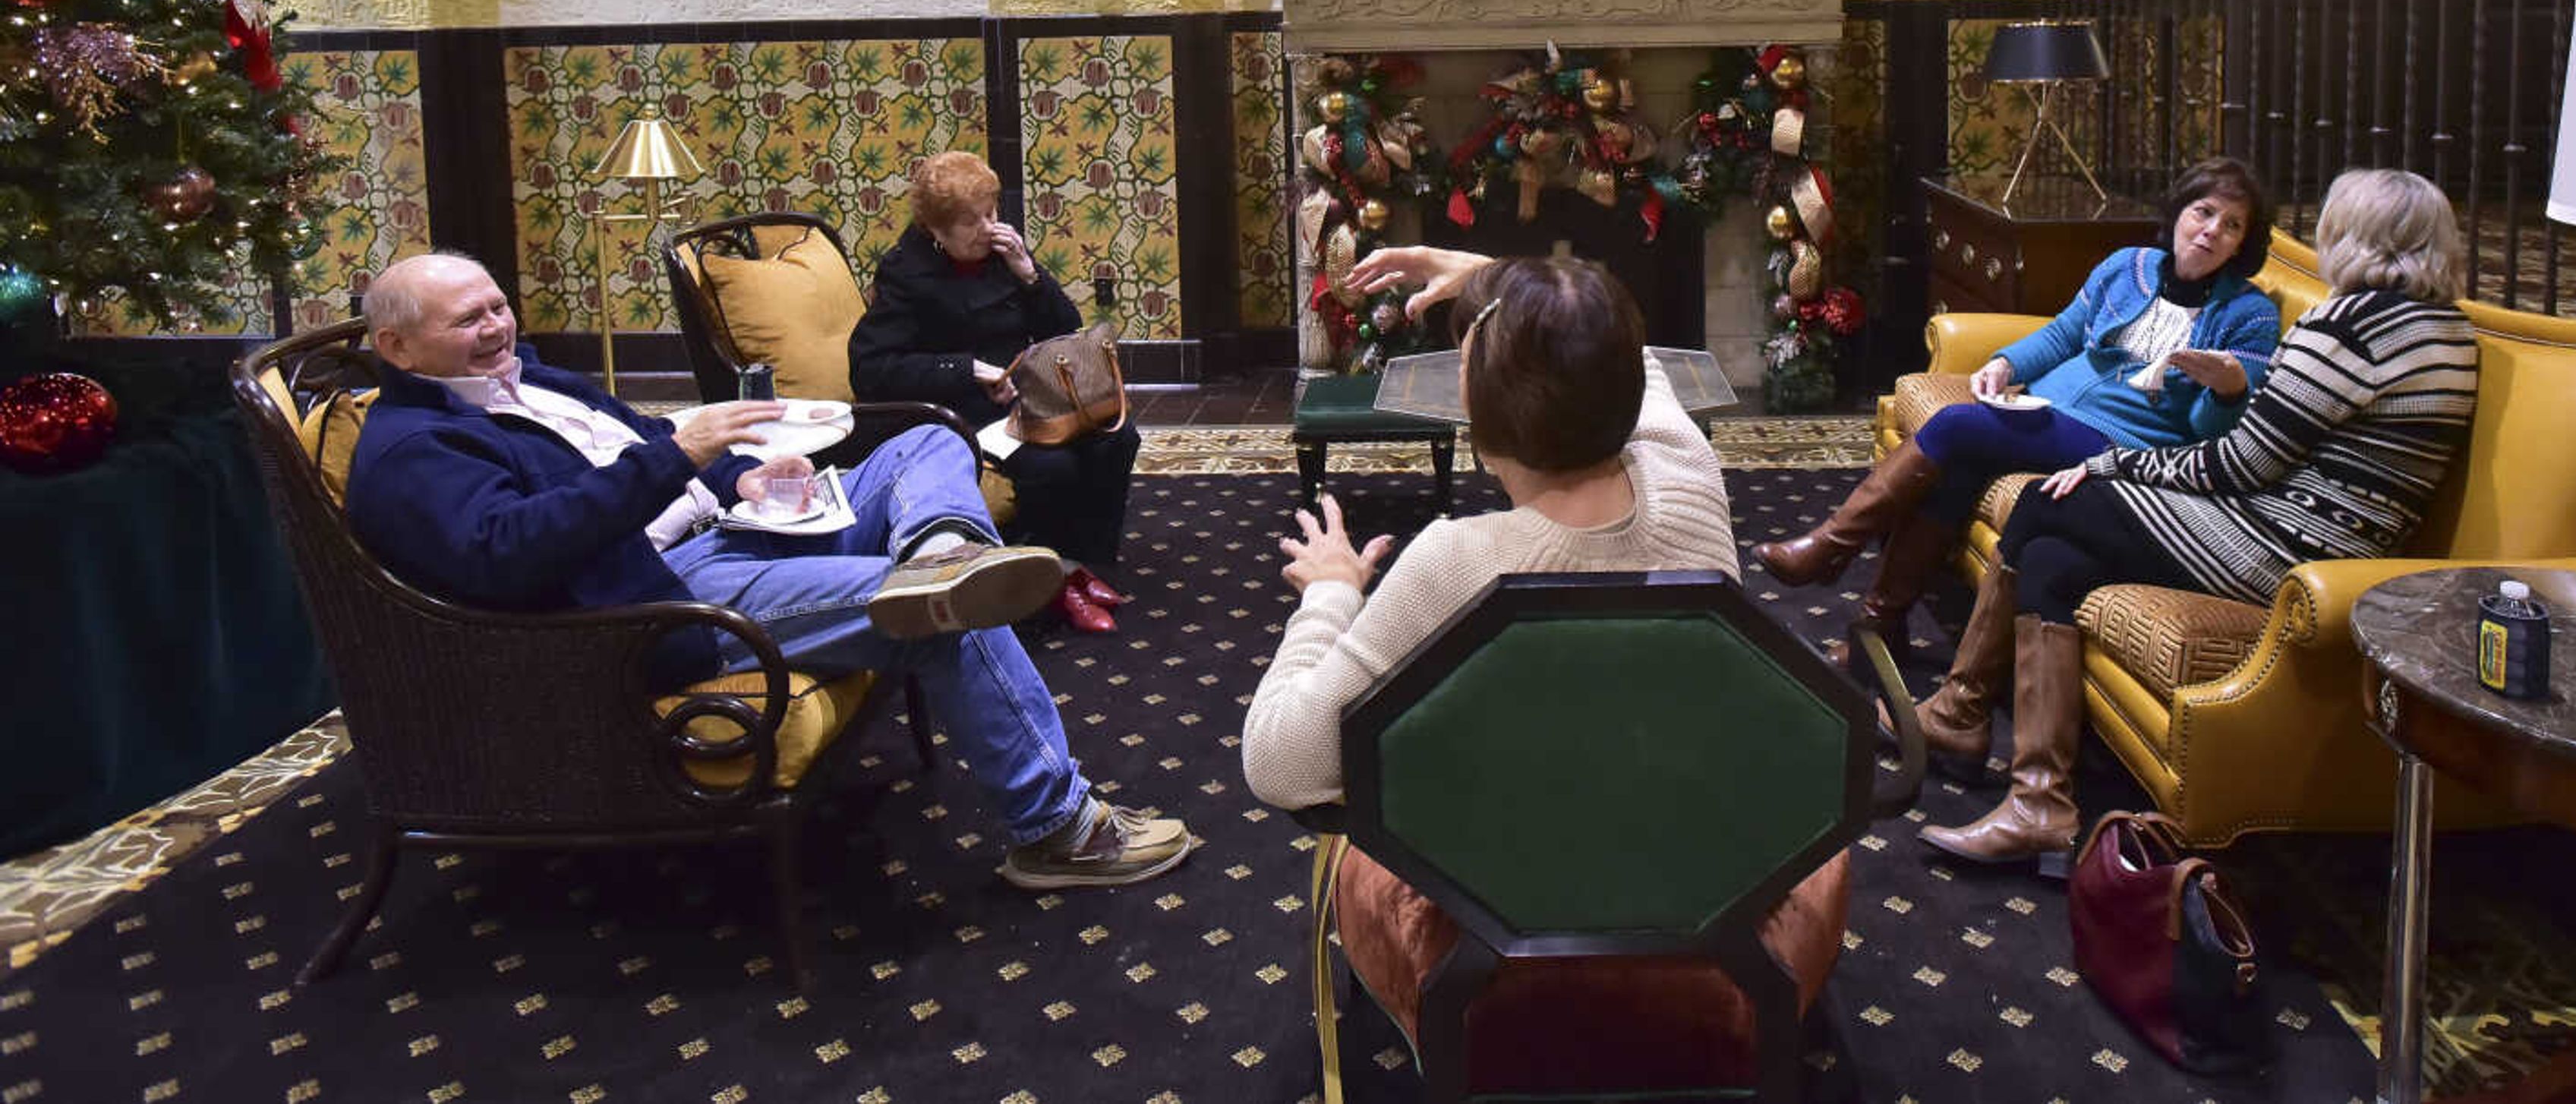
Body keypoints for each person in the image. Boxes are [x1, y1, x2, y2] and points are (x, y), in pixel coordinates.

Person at [345, 250, 1196, 890]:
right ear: (397, 345)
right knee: (936, 616)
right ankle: (1058, 830)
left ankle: (943, 550)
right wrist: (682, 455)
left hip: (722, 535)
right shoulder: (417, 448)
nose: (497, 327)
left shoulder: (527, 381)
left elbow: (640, 444)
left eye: (497, 305)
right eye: (469, 320)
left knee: (928, 443)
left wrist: (737, 475)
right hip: (654, 602)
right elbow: (509, 552)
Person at [1915, 169, 2478, 866]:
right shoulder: (2446, 332)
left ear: (2351, 237)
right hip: (2331, 540)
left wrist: (2108, 466)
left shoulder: (2346, 327)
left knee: (2043, 501)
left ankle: (1966, 720)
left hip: (2285, 546)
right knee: (2056, 559)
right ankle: (2036, 795)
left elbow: (2240, 464)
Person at [1240, 245, 1736, 809]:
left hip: (1503, 875)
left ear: (1478, 410)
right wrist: (1493, 280)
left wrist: (1330, 594)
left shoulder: (1456, 562)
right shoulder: (1687, 472)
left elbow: (1278, 765)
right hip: (1683, 847)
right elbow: (1625, 355)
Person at [1755, 157, 2281, 664]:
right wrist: (2005, 364)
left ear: (2244, 243)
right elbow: (2063, 333)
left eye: (2232, 225)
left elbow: (2208, 435)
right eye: (2203, 212)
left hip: (2124, 443)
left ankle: (1831, 545)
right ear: (2180, 214)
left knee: (1957, 425)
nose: (2212, 231)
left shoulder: (2249, 316)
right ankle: (1878, 630)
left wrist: (2230, 391)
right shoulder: (2128, 266)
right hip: (2052, 411)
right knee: (1956, 470)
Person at [849, 151, 1140, 634]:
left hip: (1027, 403)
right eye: (971, 222)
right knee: (1054, 466)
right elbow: (872, 369)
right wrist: (964, 371)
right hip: (960, 413)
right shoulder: (906, 272)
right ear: (936, 231)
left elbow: (1064, 328)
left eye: (993, 214)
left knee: (1117, 436)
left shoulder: (1001, 257)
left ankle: (1086, 565)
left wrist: (1029, 273)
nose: (988, 228)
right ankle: (1053, 585)